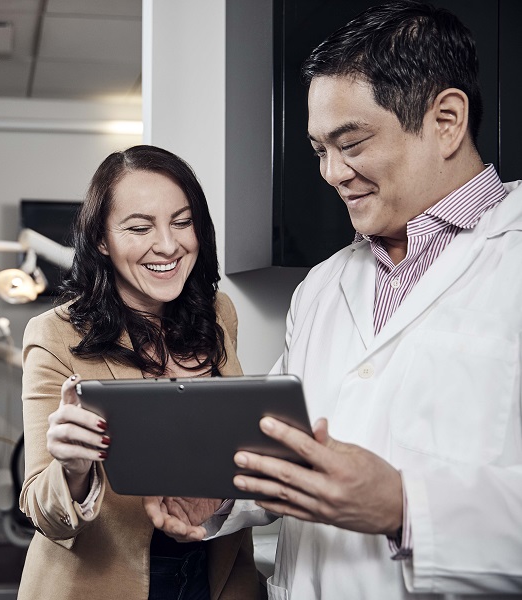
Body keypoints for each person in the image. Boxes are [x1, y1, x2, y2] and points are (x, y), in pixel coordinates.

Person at [145, 2, 522, 598]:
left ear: (447, 120)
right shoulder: (322, 286)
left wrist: (404, 506)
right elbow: (280, 446)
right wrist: (217, 496)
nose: (330, 172)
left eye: (351, 143)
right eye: (320, 148)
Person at [17, 145, 262, 600]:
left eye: (182, 222)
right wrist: (72, 470)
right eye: (139, 227)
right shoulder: (53, 336)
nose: (168, 245)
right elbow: (42, 512)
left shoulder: (218, 314)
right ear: (102, 240)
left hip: (213, 574)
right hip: (101, 583)